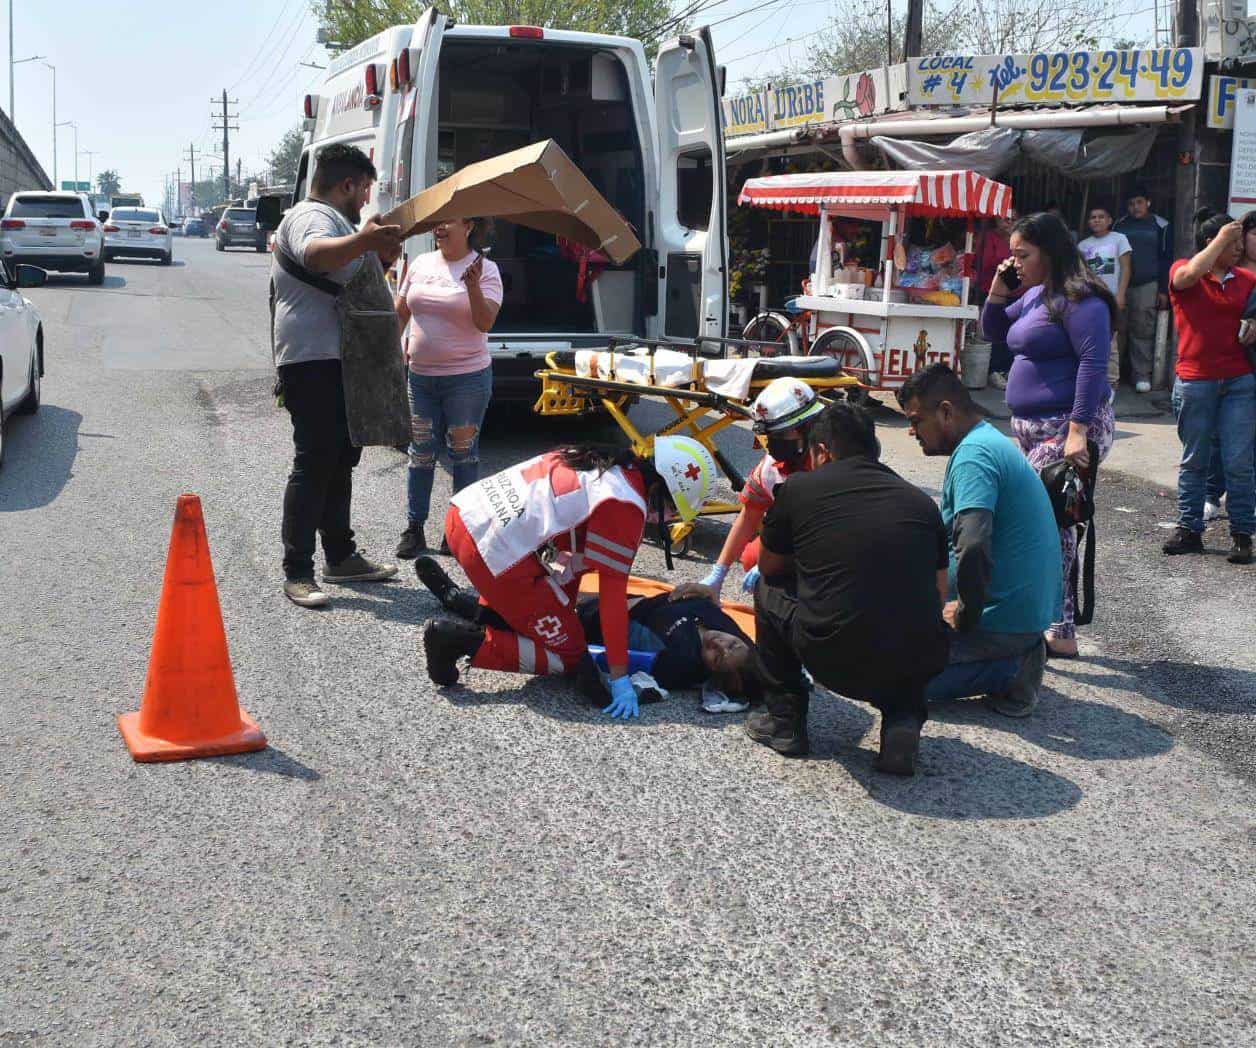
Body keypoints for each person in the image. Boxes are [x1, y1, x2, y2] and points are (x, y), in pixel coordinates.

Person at [420, 436, 716, 719]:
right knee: (571, 655)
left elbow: (568, 544)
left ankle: (474, 608)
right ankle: (457, 642)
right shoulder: (626, 503)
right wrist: (619, 675)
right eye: (673, 509)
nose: (666, 516)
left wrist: (563, 613)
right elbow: (612, 597)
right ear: (662, 491)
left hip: (464, 517)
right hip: (493, 555)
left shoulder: (604, 463)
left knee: (540, 620)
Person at [745, 402, 950, 776]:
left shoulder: (800, 488)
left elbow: (769, 567)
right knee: (908, 615)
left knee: (766, 588)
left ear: (822, 451)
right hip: (919, 662)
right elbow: (938, 595)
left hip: (835, 659)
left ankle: (785, 721)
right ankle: (902, 718)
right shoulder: (921, 503)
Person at [271, 143, 404, 608]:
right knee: (315, 461)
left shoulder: (341, 224)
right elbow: (313, 256)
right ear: (346, 185)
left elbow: (347, 277)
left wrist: (379, 258)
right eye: (364, 188)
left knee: (341, 459)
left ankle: (341, 556)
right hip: (312, 360)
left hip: (340, 359)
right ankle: (298, 570)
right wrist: (366, 241)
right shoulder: (313, 217)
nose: (367, 199)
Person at [981, 211, 1115, 658]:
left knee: (1048, 516)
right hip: (1029, 427)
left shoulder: (1084, 302)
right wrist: (1000, 286)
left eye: (1023, 254)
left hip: (1070, 425)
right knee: (1035, 516)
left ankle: (1061, 627)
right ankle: (1039, 616)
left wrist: (1078, 432)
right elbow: (993, 331)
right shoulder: (1037, 295)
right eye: (1011, 255)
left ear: (1051, 252)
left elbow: (1094, 365)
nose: (1015, 262)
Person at [897, 365, 1062, 716]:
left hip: (1002, 621)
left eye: (915, 420)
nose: (911, 432)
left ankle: (1012, 670)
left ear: (945, 411)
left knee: (892, 681)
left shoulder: (974, 456)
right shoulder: (983, 442)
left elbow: (972, 545)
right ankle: (1013, 652)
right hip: (1016, 614)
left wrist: (965, 613)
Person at [416, 558, 765, 709]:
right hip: (605, 602)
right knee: (521, 608)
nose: (719, 642)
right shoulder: (734, 634)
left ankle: (457, 629)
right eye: (729, 642)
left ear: (714, 675)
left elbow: (620, 667)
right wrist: (702, 592)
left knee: (530, 629)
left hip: (592, 623)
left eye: (718, 656)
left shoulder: (682, 663)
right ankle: (457, 603)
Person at [394, 217, 503, 559]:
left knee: (463, 455)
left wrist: (471, 286)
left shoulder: (486, 269)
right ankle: (414, 530)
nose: (438, 228)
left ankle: (458, 532)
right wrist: (390, 353)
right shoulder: (422, 263)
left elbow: (485, 321)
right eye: (435, 224)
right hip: (421, 378)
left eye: (447, 223)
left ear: (469, 226)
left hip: (466, 379)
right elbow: (400, 315)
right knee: (420, 453)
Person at [1162, 209, 1256, 564]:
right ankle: (1189, 530)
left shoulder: (1246, 280)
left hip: (1238, 381)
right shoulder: (1183, 271)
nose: (1238, 249)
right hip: (1194, 380)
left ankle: (1242, 535)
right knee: (1194, 460)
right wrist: (1220, 240)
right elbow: (1186, 276)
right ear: (1212, 243)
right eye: (1232, 243)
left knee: (1238, 462)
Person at [698, 377, 825, 598]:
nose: (772, 442)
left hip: (836, 548)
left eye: (779, 435)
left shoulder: (831, 466)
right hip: (802, 542)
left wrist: (783, 563)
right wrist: (717, 575)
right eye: (769, 435)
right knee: (753, 556)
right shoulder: (772, 468)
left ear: (805, 428)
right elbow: (748, 518)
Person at [1114, 187, 1173, 393]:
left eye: (1139, 202)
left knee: (1143, 329)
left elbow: (1166, 259)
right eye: (1131, 203)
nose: (1135, 207)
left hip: (1148, 284)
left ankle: (1142, 374)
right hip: (1121, 284)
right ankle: (1116, 374)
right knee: (1118, 329)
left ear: (1148, 202)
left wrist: (1164, 289)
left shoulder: (1161, 225)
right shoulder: (1119, 225)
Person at [976, 210, 1017, 388]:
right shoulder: (990, 237)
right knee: (994, 333)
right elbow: (985, 263)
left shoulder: (1020, 238)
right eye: (1005, 219)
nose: (1008, 223)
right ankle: (994, 370)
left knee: (1013, 333)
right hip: (992, 291)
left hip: (1017, 293)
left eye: (1013, 219)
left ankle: (1008, 371)